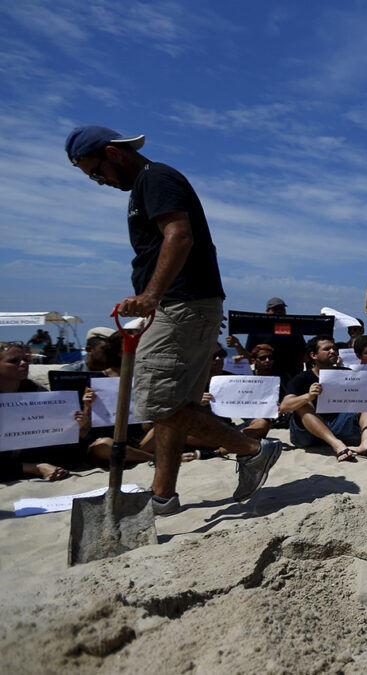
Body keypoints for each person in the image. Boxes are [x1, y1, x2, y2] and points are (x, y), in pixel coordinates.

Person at [66, 125, 280, 516]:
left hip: (179, 304)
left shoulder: (156, 178)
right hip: (185, 304)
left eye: (96, 172)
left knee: (156, 400)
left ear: (113, 154)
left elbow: (179, 236)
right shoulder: (145, 186)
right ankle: (163, 495)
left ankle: (254, 450)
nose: (99, 182)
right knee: (178, 403)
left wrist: (151, 295)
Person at [279, 335, 367, 461]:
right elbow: (284, 406)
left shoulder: (346, 372)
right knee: (303, 405)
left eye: (334, 348)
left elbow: (363, 397)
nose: (333, 351)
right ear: (314, 355)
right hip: (310, 432)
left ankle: (365, 443)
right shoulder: (302, 378)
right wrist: (308, 396)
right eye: (327, 349)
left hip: (341, 425)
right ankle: (336, 444)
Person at [0, 342, 90, 482]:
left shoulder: (35, 391)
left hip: (30, 450)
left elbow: (53, 433)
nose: (23, 363)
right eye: (14, 361)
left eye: (26, 359)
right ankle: (34, 468)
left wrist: (77, 426)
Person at [226, 298, 309, 381]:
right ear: (267, 311)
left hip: (291, 377)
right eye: (275, 309)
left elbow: (304, 355)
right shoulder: (257, 330)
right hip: (266, 377)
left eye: (282, 309)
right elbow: (249, 358)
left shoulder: (294, 330)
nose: (279, 311)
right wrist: (237, 346)